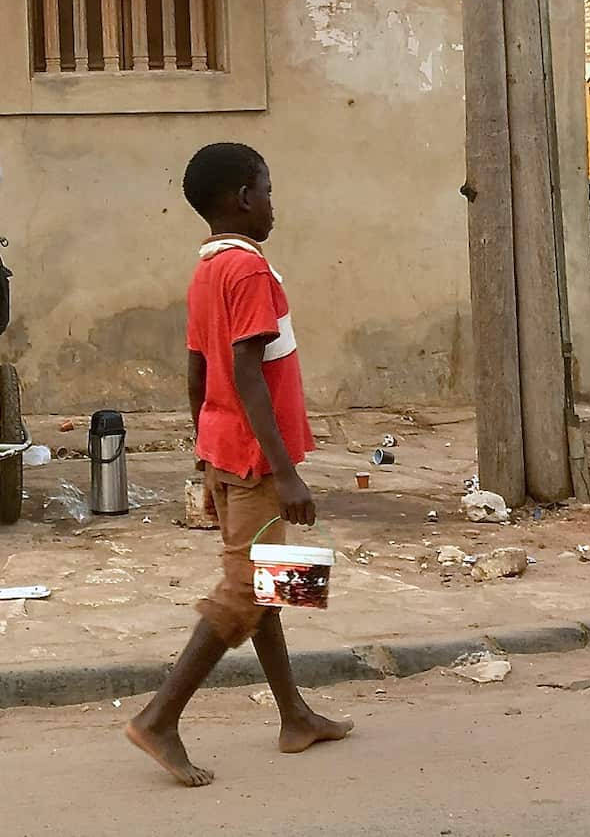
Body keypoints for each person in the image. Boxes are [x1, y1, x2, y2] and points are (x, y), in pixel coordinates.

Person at [125, 143, 352, 787]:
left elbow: (198, 374)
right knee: (248, 591)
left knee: (276, 586)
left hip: (226, 450)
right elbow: (249, 374)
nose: (274, 204)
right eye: (269, 190)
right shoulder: (251, 273)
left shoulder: (206, 272)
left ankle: (295, 716)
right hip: (254, 460)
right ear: (244, 199)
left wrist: (205, 463)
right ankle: (160, 718)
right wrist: (286, 472)